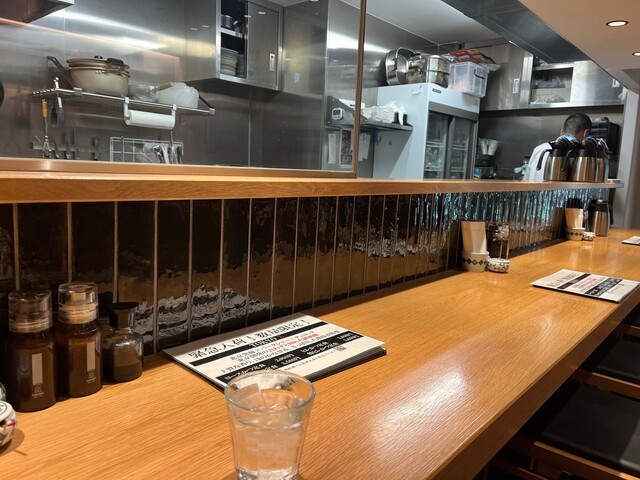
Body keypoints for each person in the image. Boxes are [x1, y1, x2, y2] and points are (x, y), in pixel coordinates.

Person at [523, 113, 592, 182]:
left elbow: (526, 180)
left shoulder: (539, 149)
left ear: (561, 131)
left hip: (532, 188)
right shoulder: (579, 154)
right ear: (585, 133)